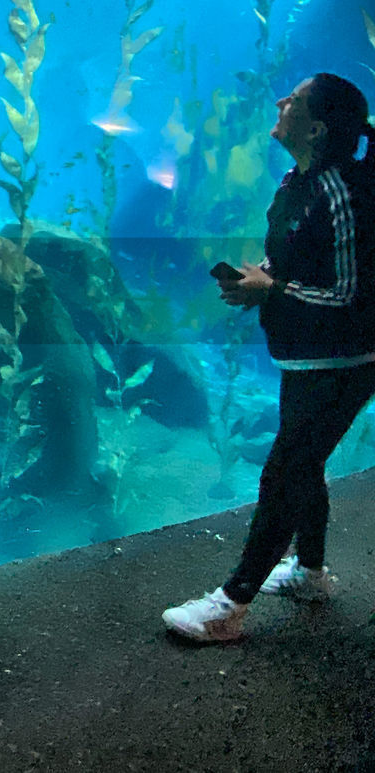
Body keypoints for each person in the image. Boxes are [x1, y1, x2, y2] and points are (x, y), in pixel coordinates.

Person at [163, 73, 375, 642]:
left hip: (346, 362)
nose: (282, 103)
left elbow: (353, 297)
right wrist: (259, 278)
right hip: (304, 358)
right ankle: (308, 572)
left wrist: (273, 291)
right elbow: (295, 260)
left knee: (285, 472)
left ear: (317, 127)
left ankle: (229, 606)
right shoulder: (295, 182)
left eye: (296, 101)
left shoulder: (343, 191)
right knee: (304, 463)